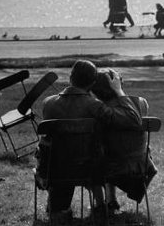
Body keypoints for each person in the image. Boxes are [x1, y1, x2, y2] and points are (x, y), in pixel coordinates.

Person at [35, 60, 142, 216]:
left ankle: (58, 207)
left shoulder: (48, 103)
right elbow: (133, 120)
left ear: (70, 78)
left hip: (55, 168)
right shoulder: (95, 106)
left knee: (64, 152)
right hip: (89, 169)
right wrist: (119, 91)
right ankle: (100, 204)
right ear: (92, 83)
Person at [91, 69, 157, 207]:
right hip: (142, 166)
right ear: (118, 84)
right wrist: (119, 91)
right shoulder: (141, 103)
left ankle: (101, 205)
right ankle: (111, 199)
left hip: (114, 169)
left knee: (98, 153)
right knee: (114, 148)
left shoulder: (100, 111)